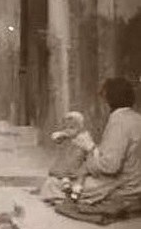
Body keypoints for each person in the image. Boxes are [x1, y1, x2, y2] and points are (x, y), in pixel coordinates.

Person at [41, 77, 141, 207]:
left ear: (110, 101)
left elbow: (110, 167)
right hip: (132, 181)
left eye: (104, 100)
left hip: (123, 185)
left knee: (52, 185)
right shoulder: (136, 117)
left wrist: (90, 148)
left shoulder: (119, 121)